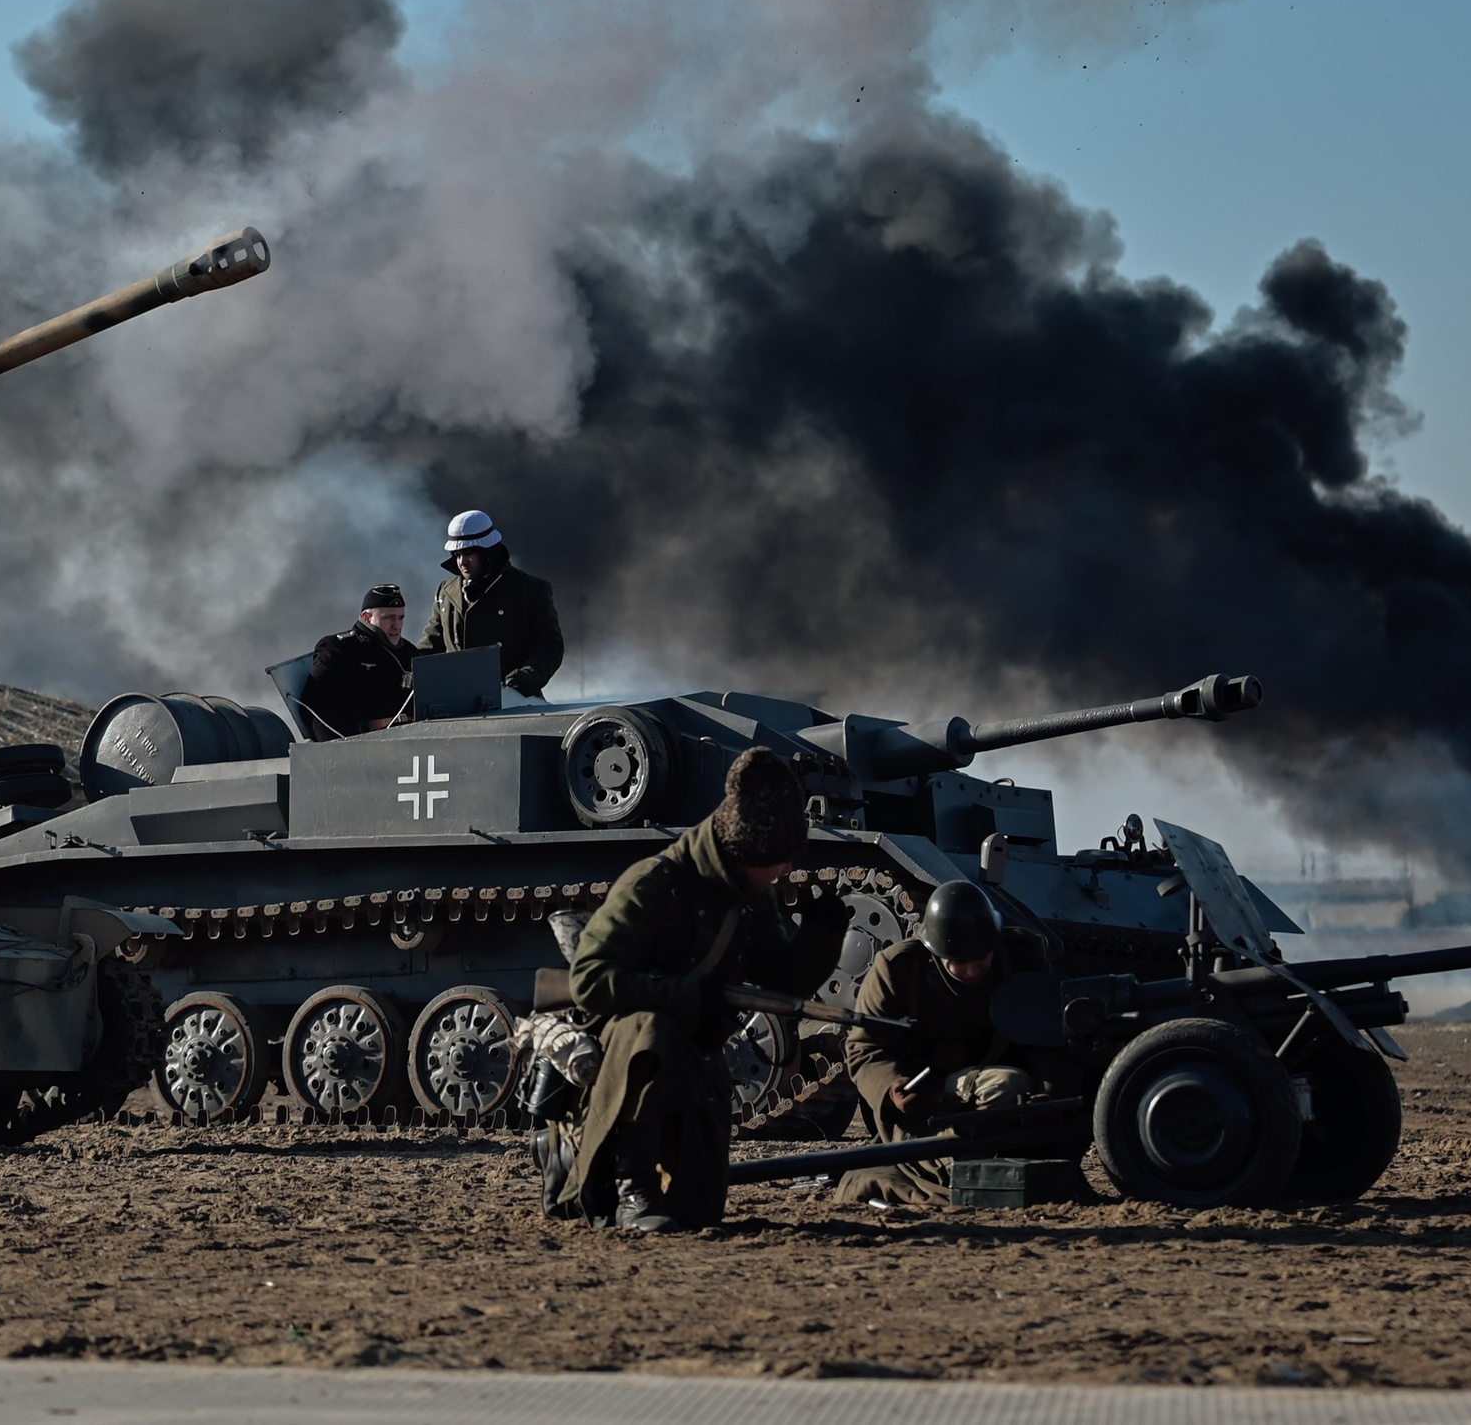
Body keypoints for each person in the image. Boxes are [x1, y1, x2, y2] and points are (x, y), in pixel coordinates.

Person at [558, 748, 849, 1232]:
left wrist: (821, 936)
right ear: (741, 853)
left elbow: (783, 980)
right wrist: (689, 997)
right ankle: (633, 1189)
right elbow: (588, 980)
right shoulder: (653, 884)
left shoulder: (749, 895)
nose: (784, 872)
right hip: (625, 1050)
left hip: (694, 1056)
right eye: (777, 862)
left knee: (699, 1209)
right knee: (652, 1028)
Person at [836, 880, 1064, 1206]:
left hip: (1017, 1097)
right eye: (959, 962)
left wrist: (1052, 1093)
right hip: (928, 1102)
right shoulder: (898, 969)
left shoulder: (1021, 958)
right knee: (1005, 1085)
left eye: (980, 959)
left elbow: (1050, 1032)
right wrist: (891, 1088)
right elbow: (864, 1047)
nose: (972, 971)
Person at [416, 509, 564, 698]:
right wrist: (409, 671)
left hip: (516, 701)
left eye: (469, 552)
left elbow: (550, 646)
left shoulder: (530, 590)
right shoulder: (446, 592)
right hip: (457, 703)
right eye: (457, 554)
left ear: (488, 552)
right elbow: (429, 647)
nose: (462, 562)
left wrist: (527, 676)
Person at [297, 585, 417, 739]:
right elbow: (316, 705)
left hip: (409, 738)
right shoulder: (340, 648)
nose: (397, 625)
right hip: (358, 742)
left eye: (401, 617)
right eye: (388, 617)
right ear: (367, 618)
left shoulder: (409, 652)